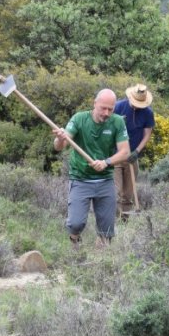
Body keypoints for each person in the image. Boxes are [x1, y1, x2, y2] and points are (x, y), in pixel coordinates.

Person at [52, 88, 129, 245]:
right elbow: (60, 146)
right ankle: (75, 243)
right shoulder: (79, 119)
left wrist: (106, 162)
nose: (106, 112)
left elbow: (125, 152)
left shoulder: (117, 122)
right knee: (75, 224)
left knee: (107, 232)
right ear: (95, 104)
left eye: (110, 109)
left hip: (105, 180)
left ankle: (102, 255)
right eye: (103, 108)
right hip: (80, 179)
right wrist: (60, 138)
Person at [112, 83, 154, 219]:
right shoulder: (118, 107)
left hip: (132, 156)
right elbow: (107, 126)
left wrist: (137, 151)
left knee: (128, 193)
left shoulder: (148, 113)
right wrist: (117, 122)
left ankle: (125, 220)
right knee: (115, 191)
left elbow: (147, 134)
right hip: (116, 155)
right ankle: (113, 220)